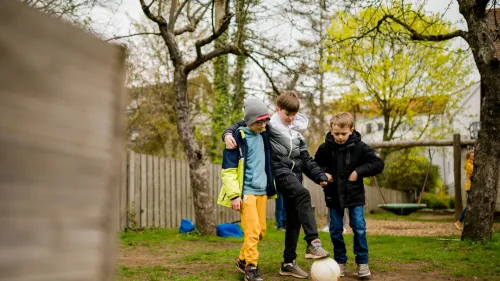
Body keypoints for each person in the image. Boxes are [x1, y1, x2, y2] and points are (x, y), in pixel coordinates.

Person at [223, 91, 330, 279]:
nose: (291, 118)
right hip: (262, 183)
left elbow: (305, 158)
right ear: (278, 110)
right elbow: (242, 126)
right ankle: (251, 266)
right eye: (287, 114)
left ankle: (273, 262)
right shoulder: (254, 132)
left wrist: (319, 175)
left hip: (275, 185)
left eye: (294, 114)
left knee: (274, 226)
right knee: (255, 229)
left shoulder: (282, 133)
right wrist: (227, 133)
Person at [314, 112, 384, 278]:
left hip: (355, 195)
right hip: (333, 196)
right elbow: (313, 165)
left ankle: (362, 262)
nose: (339, 137)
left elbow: (378, 163)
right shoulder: (324, 148)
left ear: (351, 130)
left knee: (359, 228)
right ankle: (340, 262)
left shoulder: (360, 147)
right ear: (331, 131)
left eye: (343, 134)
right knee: (336, 230)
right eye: (336, 133)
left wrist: (358, 172)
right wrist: (322, 175)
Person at [217, 98, 277, 281]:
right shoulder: (237, 139)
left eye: (265, 121)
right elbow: (228, 171)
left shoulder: (264, 134)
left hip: (262, 193)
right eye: (259, 122)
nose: (263, 125)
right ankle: (251, 268)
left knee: (260, 232)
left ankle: (242, 260)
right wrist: (235, 195)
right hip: (246, 194)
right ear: (250, 120)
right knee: (251, 231)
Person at [455, 150, 474, 230]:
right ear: (469, 157)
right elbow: (475, 173)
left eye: (474, 156)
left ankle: (461, 222)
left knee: (471, 206)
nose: (474, 157)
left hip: (472, 187)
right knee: (469, 206)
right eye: (472, 156)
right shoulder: (469, 165)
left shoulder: (472, 163)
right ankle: (459, 221)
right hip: (470, 187)